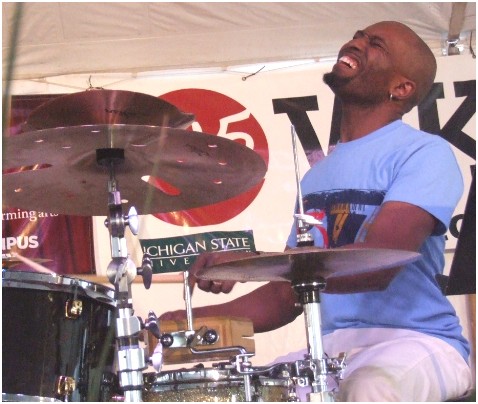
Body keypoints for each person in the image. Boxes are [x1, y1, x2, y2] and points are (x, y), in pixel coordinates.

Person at [160, 21, 473, 401]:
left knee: (369, 389)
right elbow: (286, 296)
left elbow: (379, 263)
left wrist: (252, 261)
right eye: (358, 34)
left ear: (401, 88)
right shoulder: (317, 177)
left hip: (416, 341)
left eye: (375, 44)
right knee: (256, 392)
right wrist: (187, 323)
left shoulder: (424, 153)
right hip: (332, 348)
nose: (356, 42)